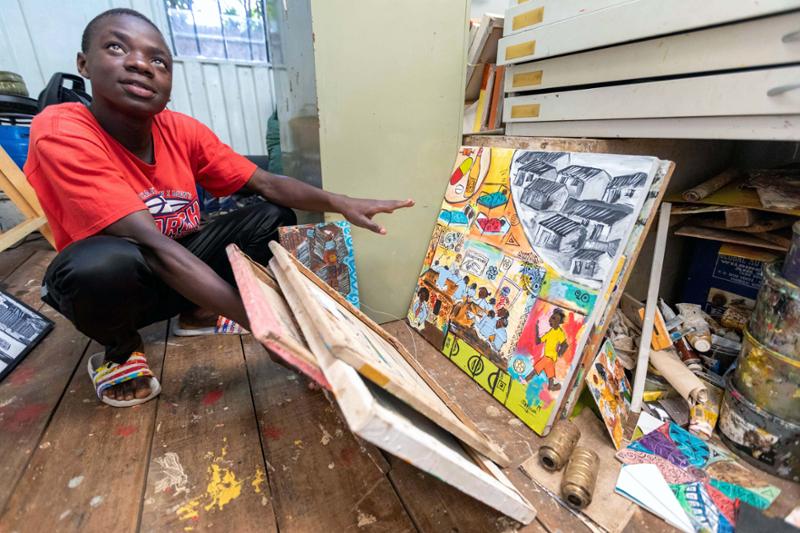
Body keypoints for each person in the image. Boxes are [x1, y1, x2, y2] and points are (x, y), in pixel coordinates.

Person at [25, 8, 413, 407]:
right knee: (99, 266)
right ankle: (121, 351)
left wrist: (340, 202)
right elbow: (152, 248)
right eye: (116, 48)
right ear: (83, 64)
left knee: (271, 216)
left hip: (180, 266)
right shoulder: (61, 130)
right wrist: (271, 331)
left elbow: (266, 183)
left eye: (158, 60)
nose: (140, 64)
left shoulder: (180, 129)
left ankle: (197, 313)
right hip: (122, 284)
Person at [528, 309, 569, 391]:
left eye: (554, 318)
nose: (551, 319)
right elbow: (538, 341)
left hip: (549, 358)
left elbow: (565, 344)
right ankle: (552, 387)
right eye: (552, 317)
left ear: (559, 322)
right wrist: (536, 328)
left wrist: (559, 353)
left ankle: (525, 380)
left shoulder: (560, 333)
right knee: (550, 376)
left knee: (536, 370)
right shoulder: (551, 332)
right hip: (549, 358)